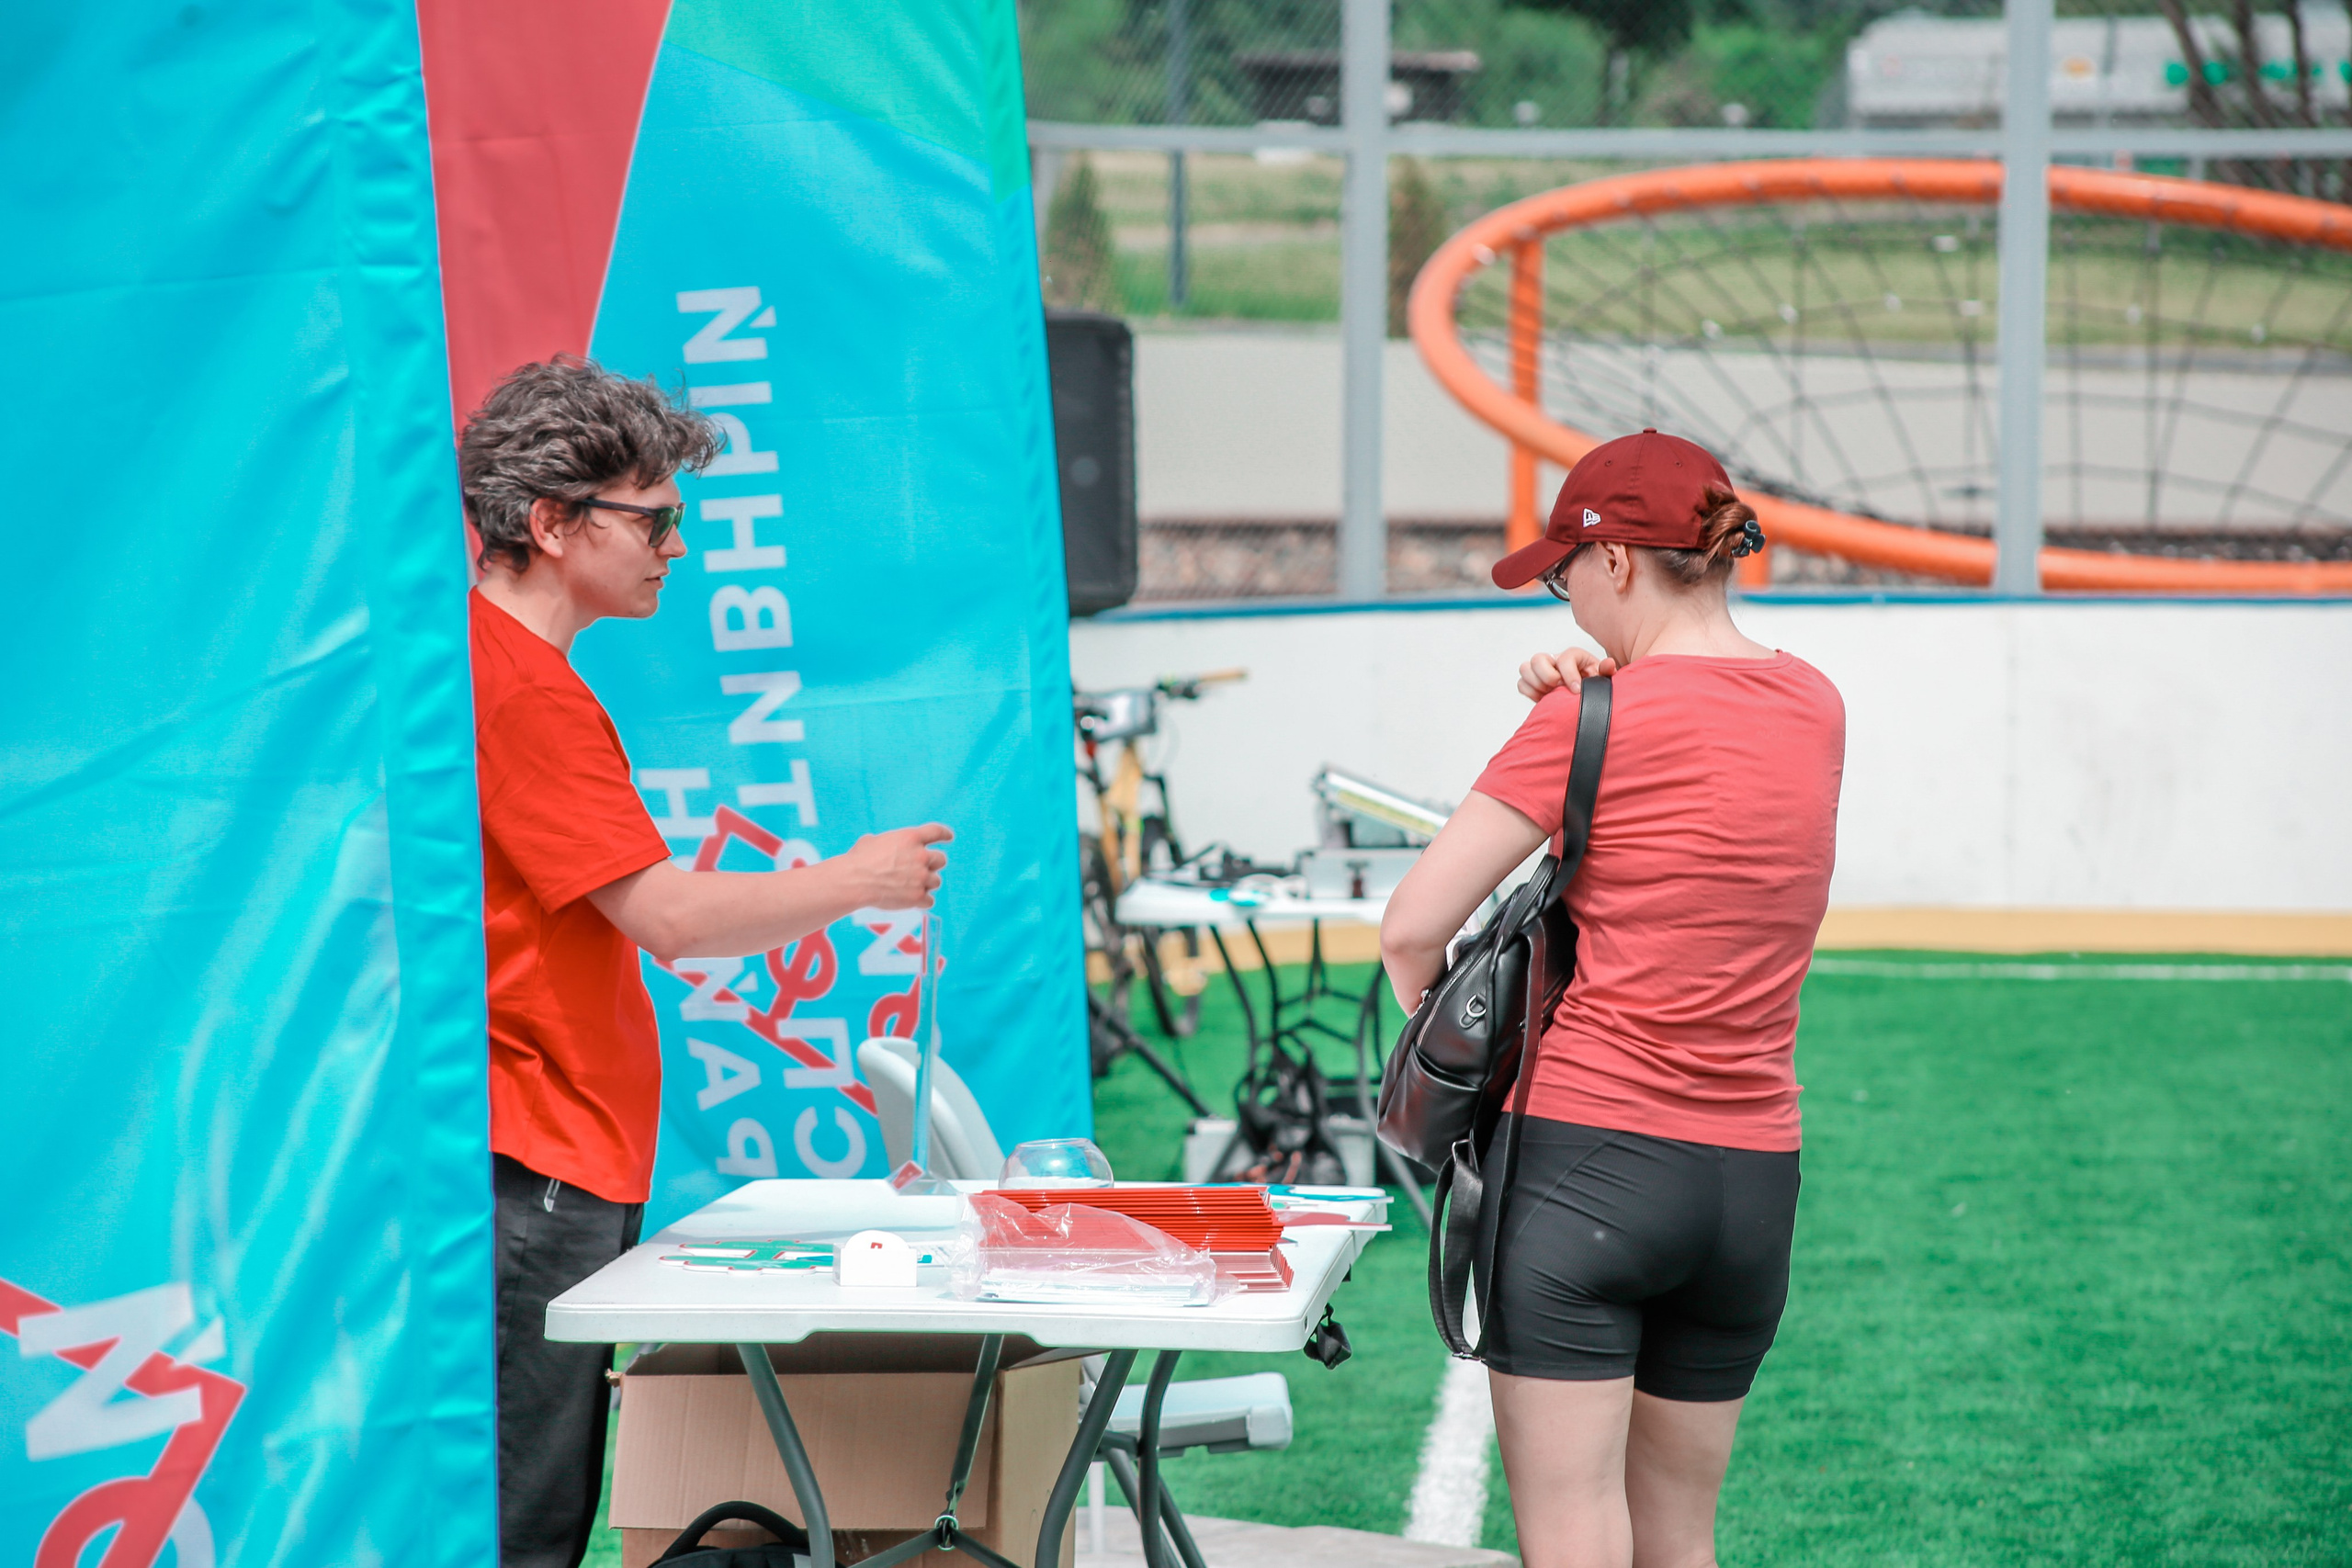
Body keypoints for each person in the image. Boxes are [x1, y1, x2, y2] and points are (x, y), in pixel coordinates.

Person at [459, 356, 954, 1568]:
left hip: (546, 1145)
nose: (675, 545)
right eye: (655, 517)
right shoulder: (519, 687)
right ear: (550, 522)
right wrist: (861, 879)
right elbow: (669, 917)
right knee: (525, 1525)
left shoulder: (489, 666)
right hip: (538, 1152)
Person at [1379, 430, 1845, 1568]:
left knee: (1574, 1538)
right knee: (1681, 1539)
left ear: (1620, 564)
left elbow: (1409, 928)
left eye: (1564, 572)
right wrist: (1580, 693)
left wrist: (1452, 1054)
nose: (1563, 596)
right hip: (1750, 1182)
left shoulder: (1586, 717)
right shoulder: (1817, 707)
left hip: (1585, 1162)